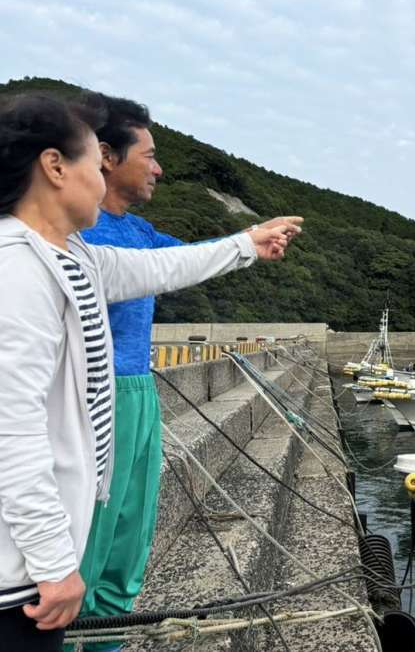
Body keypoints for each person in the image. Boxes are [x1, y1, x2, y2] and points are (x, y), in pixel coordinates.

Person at [0, 92, 293, 652]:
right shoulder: (17, 266)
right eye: (90, 162)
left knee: (119, 553)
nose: (102, 180)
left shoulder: (73, 256)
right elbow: (12, 427)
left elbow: (165, 264)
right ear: (56, 166)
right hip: (18, 569)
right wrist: (55, 563)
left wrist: (247, 244)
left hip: (111, 423)